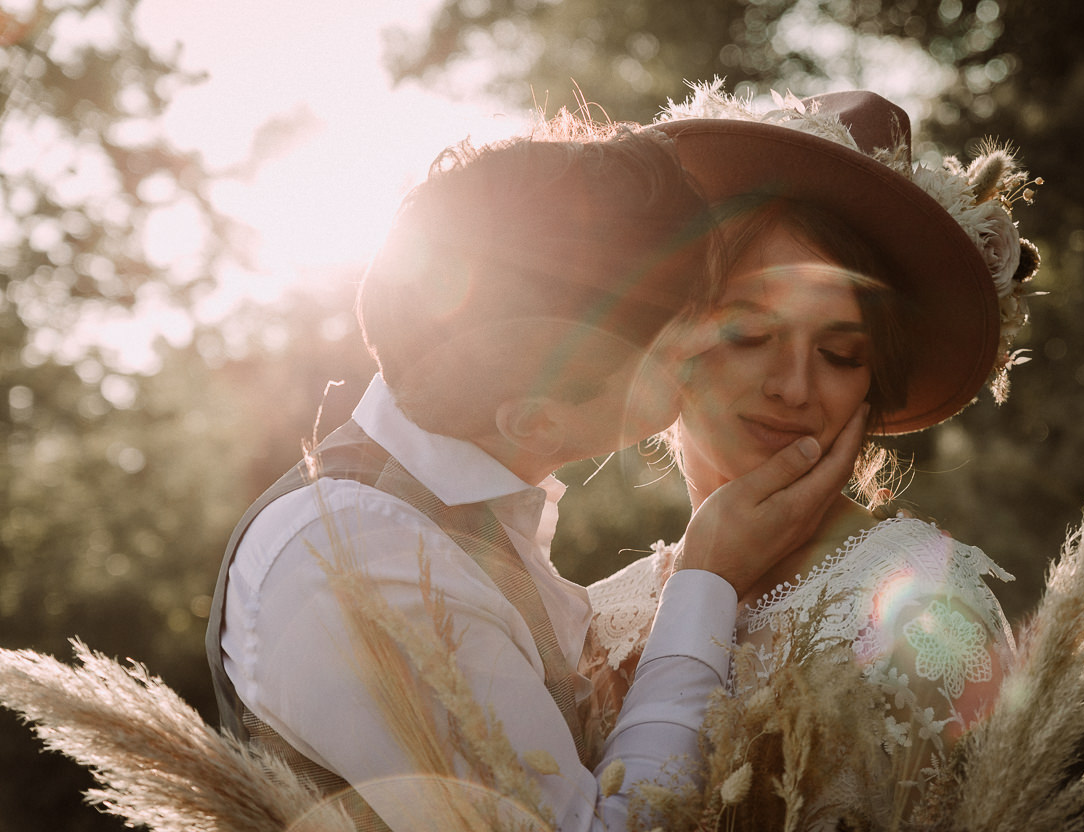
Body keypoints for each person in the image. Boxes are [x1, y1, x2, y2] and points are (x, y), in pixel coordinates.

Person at [204, 121, 867, 831]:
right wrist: (708, 577)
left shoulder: (453, 517)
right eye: (678, 351)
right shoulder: (362, 564)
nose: (714, 348)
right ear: (535, 421)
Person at [586, 87, 1041, 818]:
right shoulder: (593, 618)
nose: (794, 387)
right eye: (750, 335)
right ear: (672, 335)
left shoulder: (922, 601)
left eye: (839, 351)